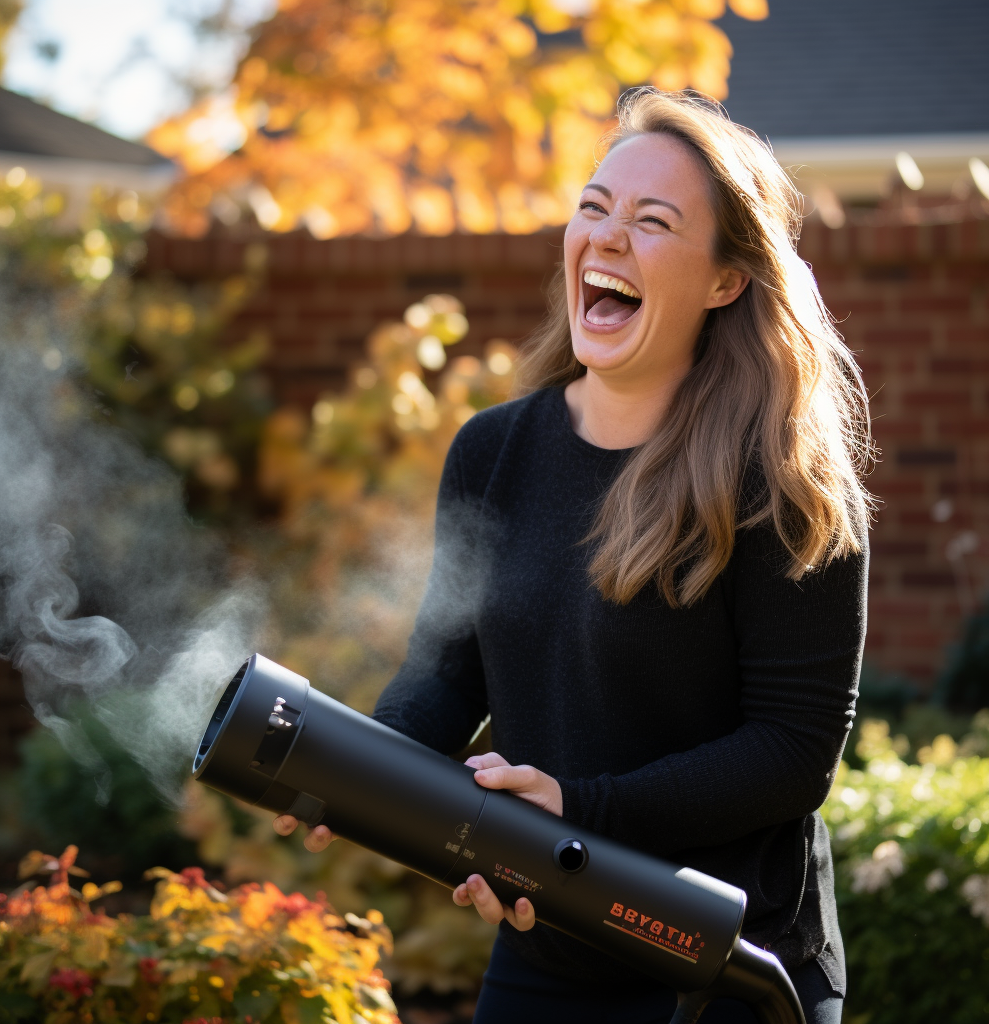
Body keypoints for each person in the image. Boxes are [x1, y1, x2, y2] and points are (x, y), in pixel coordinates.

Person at [275, 88, 872, 1024]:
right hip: (552, 949)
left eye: (652, 221)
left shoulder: (784, 482)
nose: (607, 237)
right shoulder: (495, 451)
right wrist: (351, 778)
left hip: (726, 964)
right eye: (593, 208)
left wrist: (577, 812)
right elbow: (446, 675)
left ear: (725, 280)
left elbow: (795, 753)